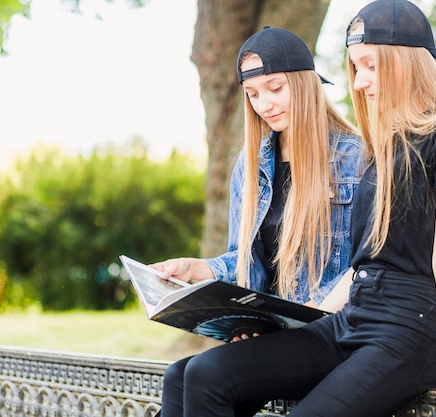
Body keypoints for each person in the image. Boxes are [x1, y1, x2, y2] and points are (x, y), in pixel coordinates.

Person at [159, 1, 436, 416]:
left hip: (406, 328)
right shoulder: (385, 141)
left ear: (406, 60)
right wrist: (283, 329)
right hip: (352, 315)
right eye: (356, 68)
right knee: (205, 374)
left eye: (370, 66)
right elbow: (360, 263)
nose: (359, 82)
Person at [150, 27, 363, 316]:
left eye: (275, 88)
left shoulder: (356, 158)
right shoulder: (250, 165)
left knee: (204, 366)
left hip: (329, 324)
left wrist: (310, 313)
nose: (264, 105)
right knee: (184, 365)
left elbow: (367, 265)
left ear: (305, 84)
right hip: (272, 323)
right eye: (252, 94)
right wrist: (197, 268)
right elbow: (247, 262)